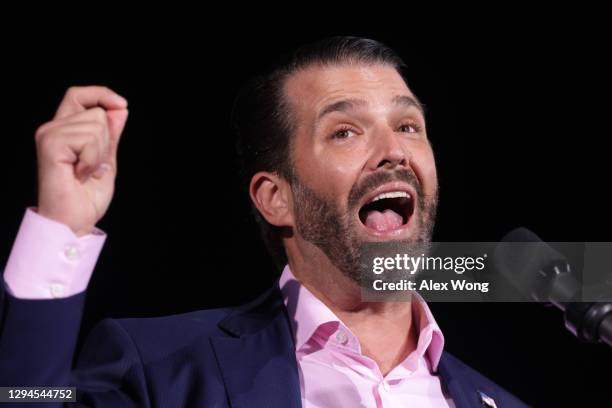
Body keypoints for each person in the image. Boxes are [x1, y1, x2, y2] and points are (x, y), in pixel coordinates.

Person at [0, 36, 527, 407]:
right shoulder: (160, 367)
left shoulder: (498, 400)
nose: (394, 152)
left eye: (409, 125)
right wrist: (59, 227)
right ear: (276, 199)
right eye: (345, 131)